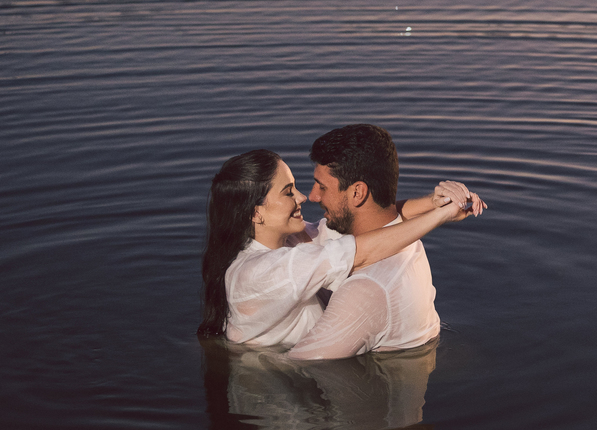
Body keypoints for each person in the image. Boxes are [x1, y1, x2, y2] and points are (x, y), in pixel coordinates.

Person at [198, 148, 474, 346]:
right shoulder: (261, 272)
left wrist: (432, 203)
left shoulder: (291, 240)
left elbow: (364, 223)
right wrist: (441, 216)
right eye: (288, 192)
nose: (303, 197)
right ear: (256, 213)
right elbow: (361, 250)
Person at [288, 124, 486, 360]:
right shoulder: (402, 234)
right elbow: (312, 238)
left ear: (357, 193)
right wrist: (433, 204)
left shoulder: (367, 291)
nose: (312, 196)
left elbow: (294, 364)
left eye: (322, 187)